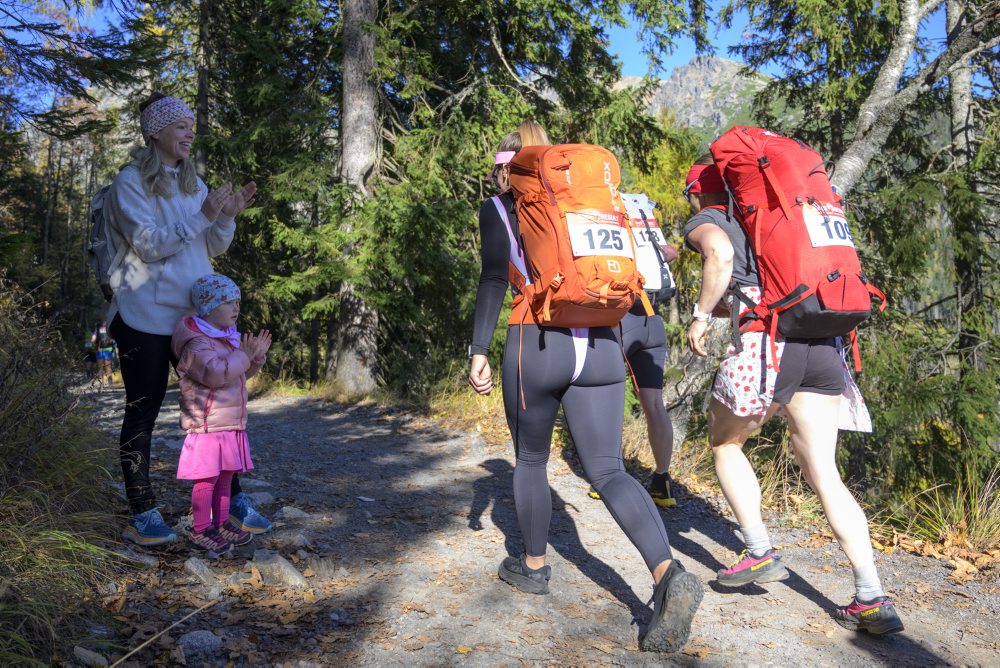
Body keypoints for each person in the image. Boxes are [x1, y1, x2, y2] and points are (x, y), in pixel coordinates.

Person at [468, 122, 702, 653]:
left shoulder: (502, 207)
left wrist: (478, 349)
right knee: (610, 469)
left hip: (537, 341)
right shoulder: (587, 198)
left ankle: (532, 565)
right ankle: (667, 573)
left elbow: (492, 279)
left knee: (530, 459)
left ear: (510, 160)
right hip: (601, 342)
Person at [682, 156, 904, 635]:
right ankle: (871, 596)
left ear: (698, 194)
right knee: (825, 473)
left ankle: (759, 550)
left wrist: (700, 314)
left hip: (767, 346)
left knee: (726, 444)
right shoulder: (774, 218)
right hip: (822, 340)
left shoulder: (710, 219)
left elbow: (718, 255)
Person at [105, 91, 269, 546]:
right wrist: (204, 215)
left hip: (197, 320)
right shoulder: (130, 182)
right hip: (145, 316)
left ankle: (231, 501)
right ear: (155, 131)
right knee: (144, 410)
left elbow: (210, 247)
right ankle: (142, 510)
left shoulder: (193, 182)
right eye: (180, 125)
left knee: (218, 409)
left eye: (191, 126)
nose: (189, 133)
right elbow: (150, 244)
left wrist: (226, 218)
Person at [172, 274, 271, 555]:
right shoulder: (196, 343)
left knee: (226, 476)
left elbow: (237, 374)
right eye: (227, 301)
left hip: (228, 424)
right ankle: (201, 529)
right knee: (207, 479)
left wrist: (255, 358)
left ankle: (222, 522)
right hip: (206, 425)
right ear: (208, 306)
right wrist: (244, 355)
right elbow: (215, 374)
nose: (235, 307)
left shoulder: (227, 338)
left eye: (237, 301)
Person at [91, 321, 117, 385]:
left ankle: (101, 383)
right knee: (108, 366)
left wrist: (95, 343)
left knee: (100, 367)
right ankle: (110, 383)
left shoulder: (97, 329)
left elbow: (93, 340)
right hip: (108, 350)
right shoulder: (108, 328)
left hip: (99, 350)